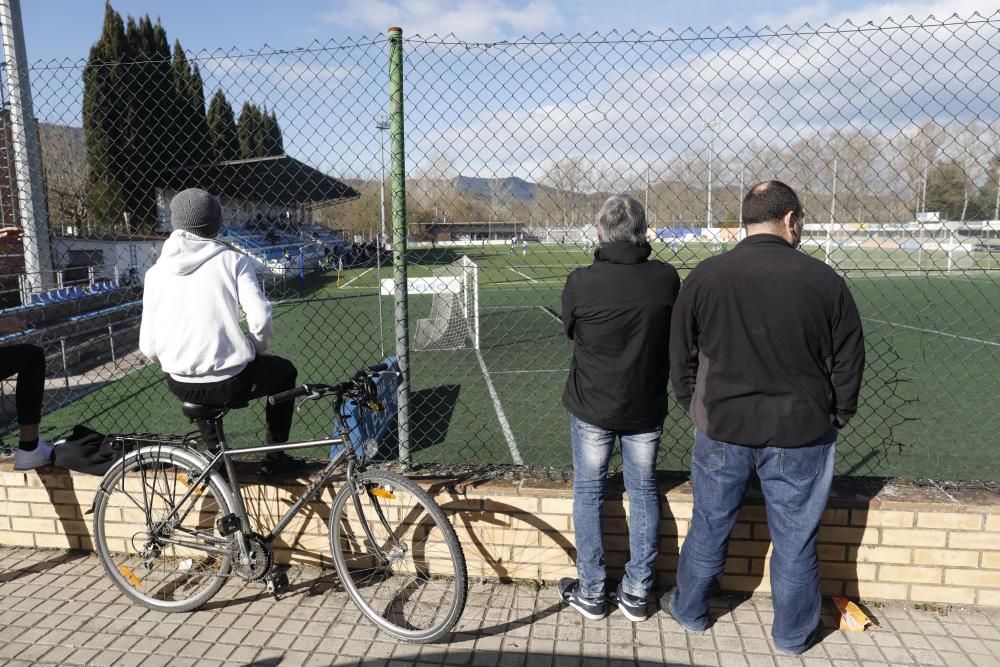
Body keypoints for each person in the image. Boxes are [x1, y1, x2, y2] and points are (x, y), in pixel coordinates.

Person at [666, 181, 865, 654]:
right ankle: (792, 637)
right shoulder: (824, 281)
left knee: (710, 523)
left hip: (723, 427)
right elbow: (848, 362)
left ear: (745, 221)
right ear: (790, 220)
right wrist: (836, 414)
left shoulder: (706, 276)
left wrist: (694, 403)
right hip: (800, 431)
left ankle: (691, 611)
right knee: (796, 539)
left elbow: (679, 353)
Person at [558, 194, 681, 622]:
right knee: (643, 491)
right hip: (644, 406)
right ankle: (636, 590)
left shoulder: (581, 281)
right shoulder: (666, 279)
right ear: (642, 232)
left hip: (593, 404)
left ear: (599, 233)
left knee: (589, 492)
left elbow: (570, 328)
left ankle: (592, 591)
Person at [139, 189, 299, 473]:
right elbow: (260, 317)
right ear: (215, 224)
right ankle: (274, 457)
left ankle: (217, 459)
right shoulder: (232, 261)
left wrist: (181, 358)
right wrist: (255, 347)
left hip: (180, 383)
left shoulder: (154, 273)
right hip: (232, 380)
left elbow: (148, 348)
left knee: (196, 373)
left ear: (176, 224)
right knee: (285, 372)